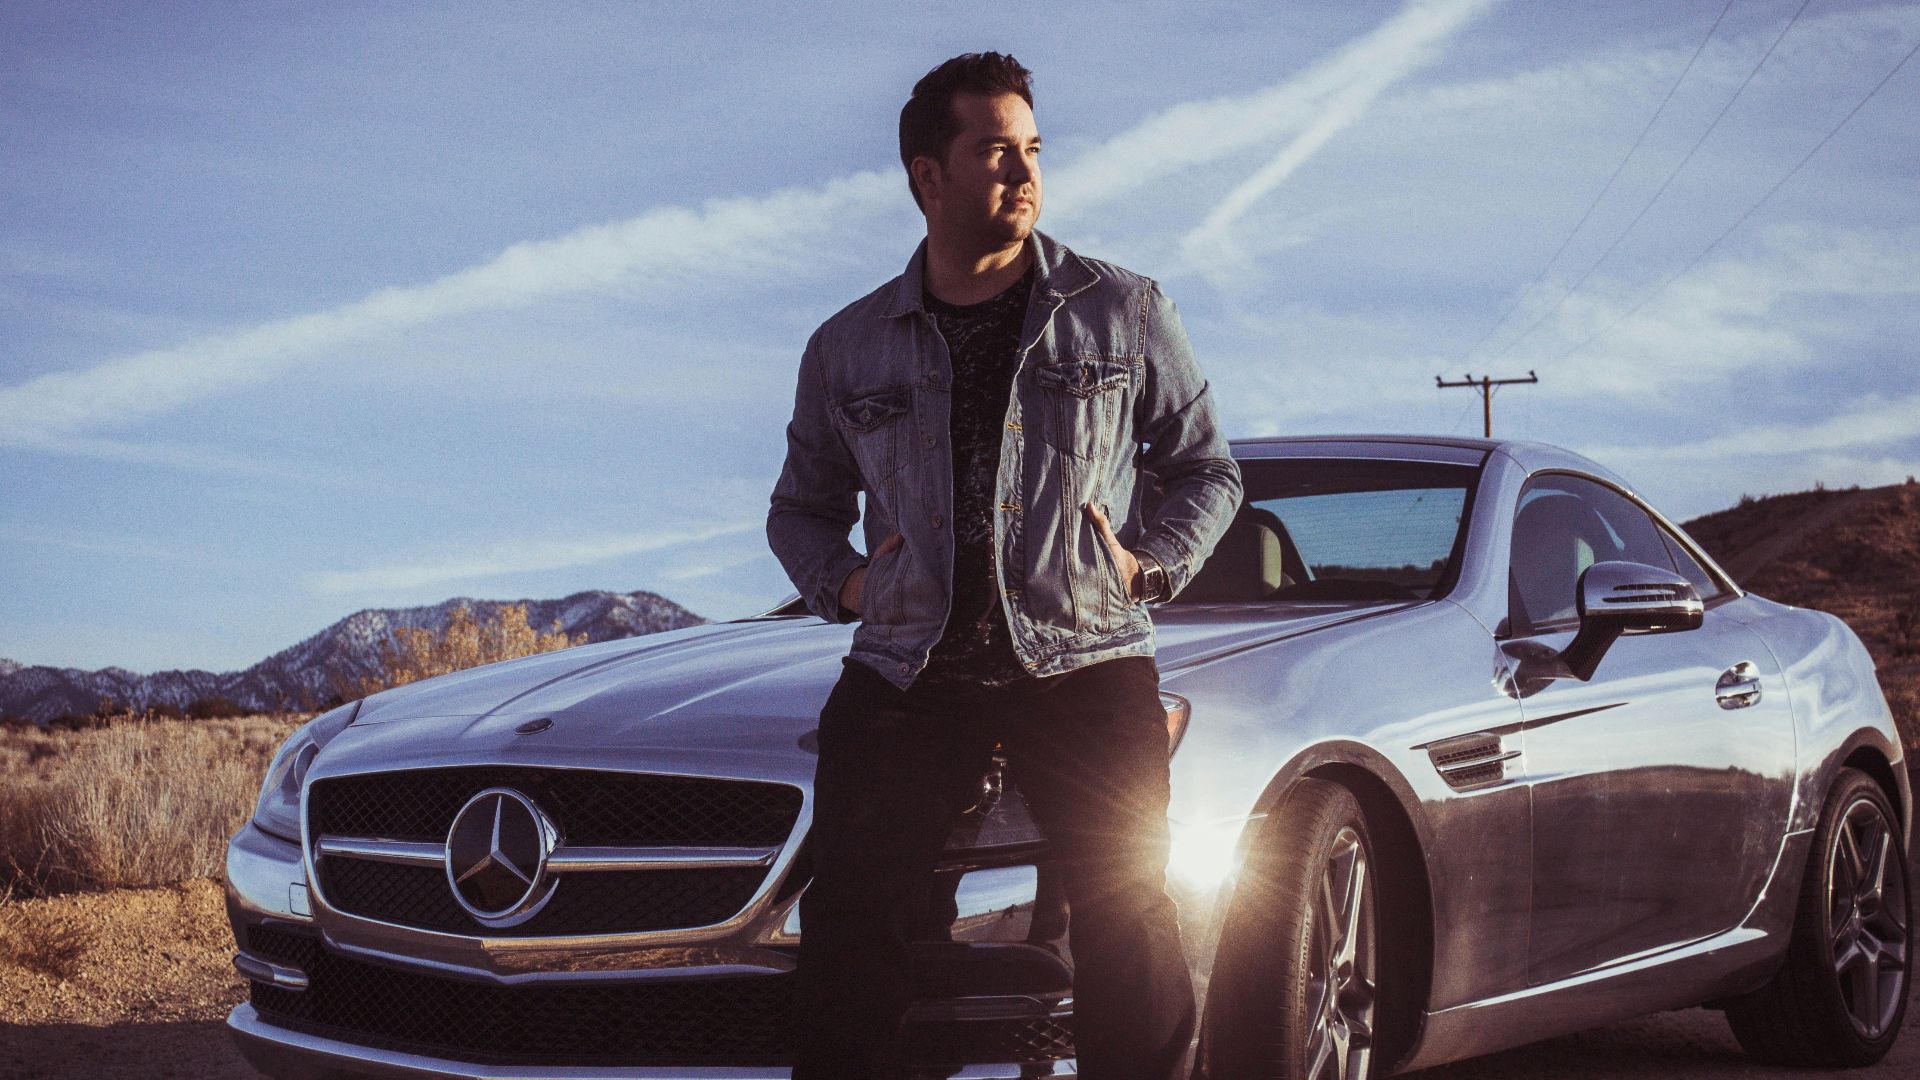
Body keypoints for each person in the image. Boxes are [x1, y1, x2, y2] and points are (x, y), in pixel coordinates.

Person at [766, 51, 1242, 1080]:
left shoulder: (1121, 310)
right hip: (906, 671)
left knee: (1129, 908)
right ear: (926, 176)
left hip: (1083, 657)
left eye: (1032, 150)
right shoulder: (847, 347)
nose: (1023, 173)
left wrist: (1145, 563)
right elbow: (798, 511)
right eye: (994, 152)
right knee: (849, 914)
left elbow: (1208, 474)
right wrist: (847, 585)